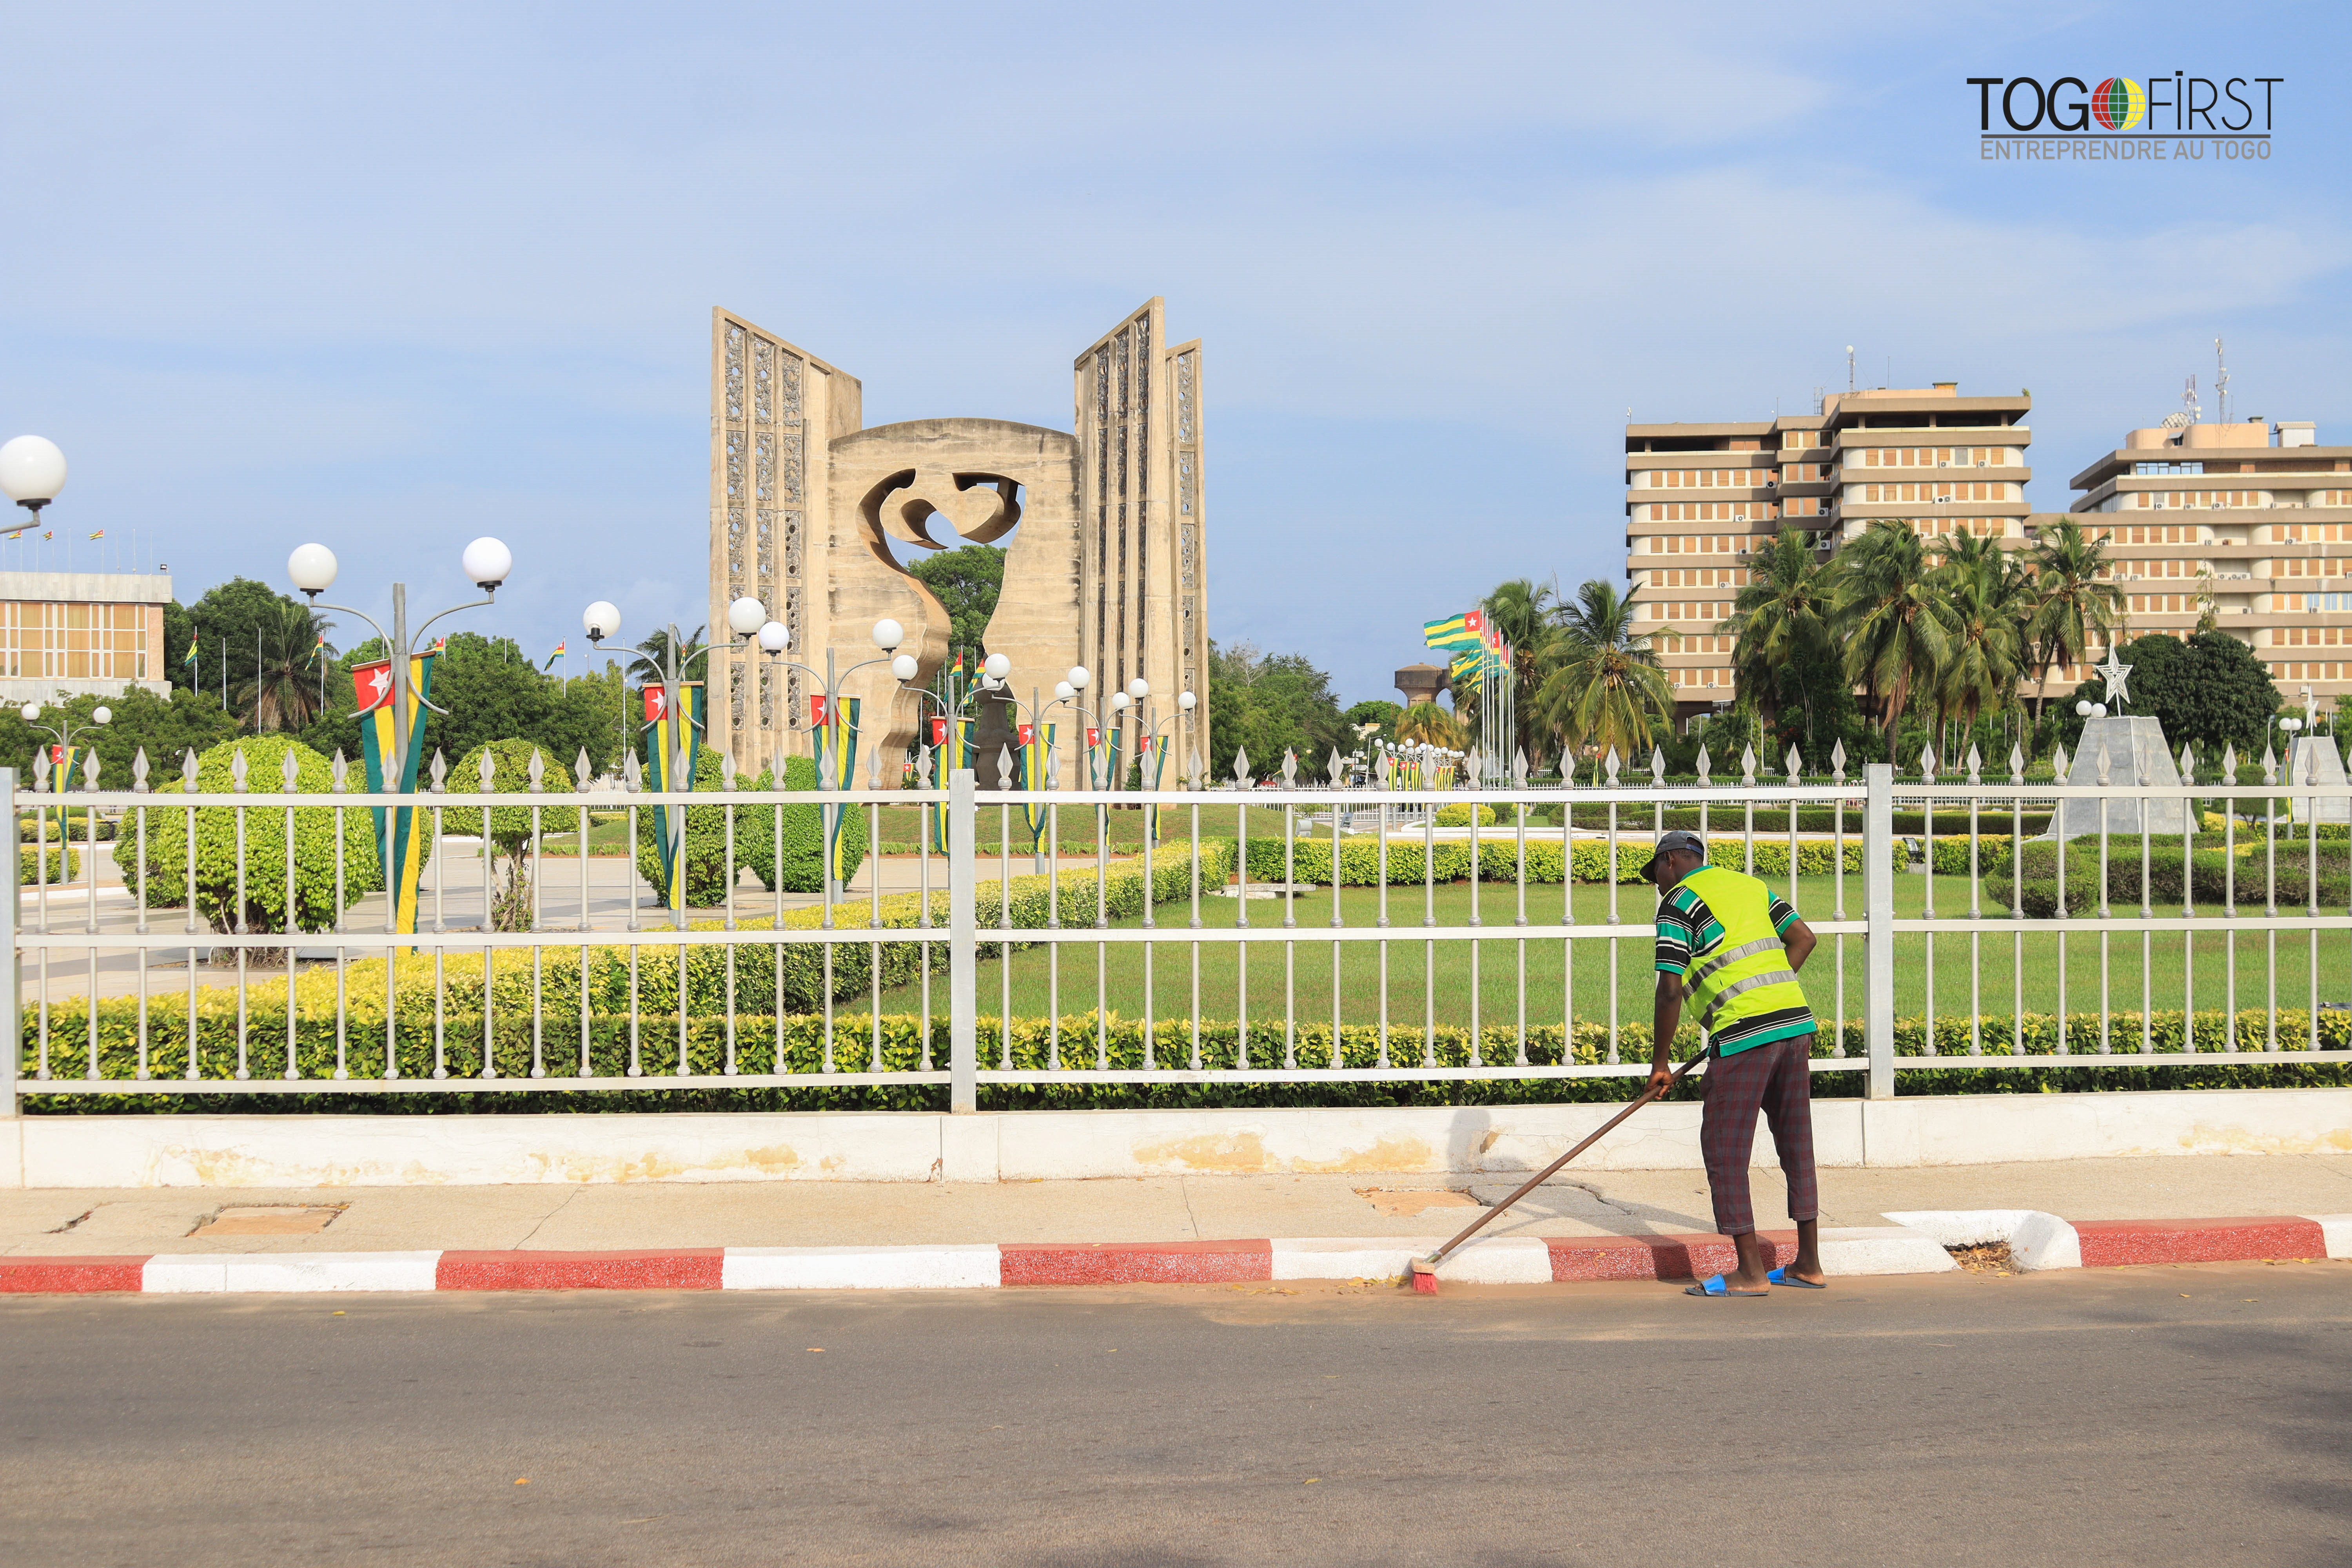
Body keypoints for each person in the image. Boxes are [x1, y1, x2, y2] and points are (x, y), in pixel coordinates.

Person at [1640, 829, 1825, 1298]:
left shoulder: (1678, 901)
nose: (1658, 887)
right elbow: (1803, 938)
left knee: (1725, 1148)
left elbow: (1668, 988)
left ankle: (1750, 1272)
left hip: (1746, 1035)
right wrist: (1765, 996)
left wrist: (1660, 1061)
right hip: (1795, 1026)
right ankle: (1808, 1263)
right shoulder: (1750, 886)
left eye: (1656, 877)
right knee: (1797, 1143)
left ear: (1670, 862)